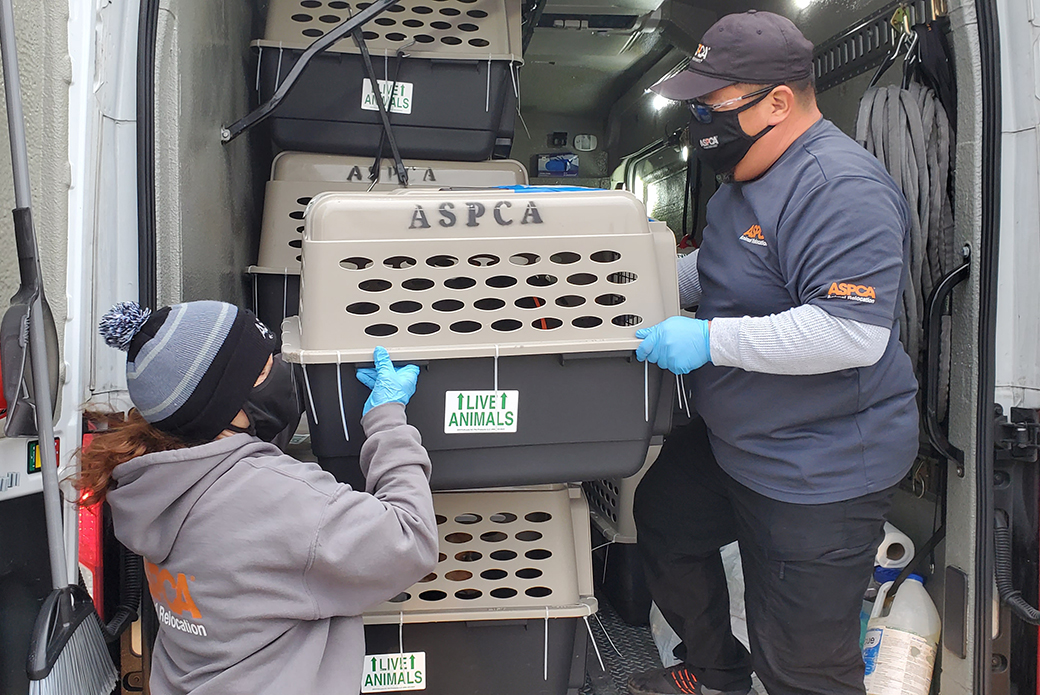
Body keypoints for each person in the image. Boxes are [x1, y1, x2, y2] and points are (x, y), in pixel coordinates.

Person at [628, 10, 919, 695]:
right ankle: (720, 673)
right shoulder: (747, 180)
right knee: (667, 527)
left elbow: (849, 332)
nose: (700, 118)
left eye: (711, 103)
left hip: (817, 469)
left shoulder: (838, 189)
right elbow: (720, 272)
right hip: (740, 442)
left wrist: (707, 339)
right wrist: (624, 268)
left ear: (777, 102)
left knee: (802, 663)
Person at [78, 300, 438, 695]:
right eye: (265, 369)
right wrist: (387, 419)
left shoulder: (153, 482)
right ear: (227, 402)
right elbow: (411, 539)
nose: (279, 372)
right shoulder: (277, 497)